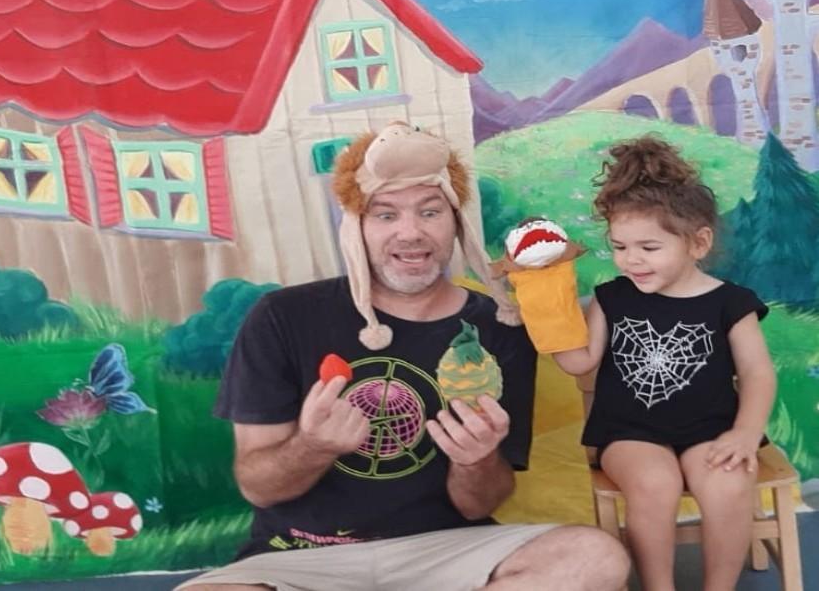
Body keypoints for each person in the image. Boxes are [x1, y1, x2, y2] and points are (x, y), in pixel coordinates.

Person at [176, 123, 629, 591]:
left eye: (430, 211)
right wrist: (313, 446)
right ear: (356, 226)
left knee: (593, 557)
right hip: (301, 557)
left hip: (445, 551)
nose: (411, 233)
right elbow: (258, 486)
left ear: (456, 222)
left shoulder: (500, 325)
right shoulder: (282, 316)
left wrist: (476, 460)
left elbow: (480, 504)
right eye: (385, 214)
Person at [552, 135, 777, 591]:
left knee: (729, 483)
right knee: (656, 483)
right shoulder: (611, 297)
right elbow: (579, 362)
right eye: (620, 246)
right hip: (629, 432)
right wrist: (546, 312)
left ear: (698, 243)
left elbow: (757, 372)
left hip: (711, 429)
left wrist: (745, 432)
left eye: (649, 248)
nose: (631, 260)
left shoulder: (731, 303)